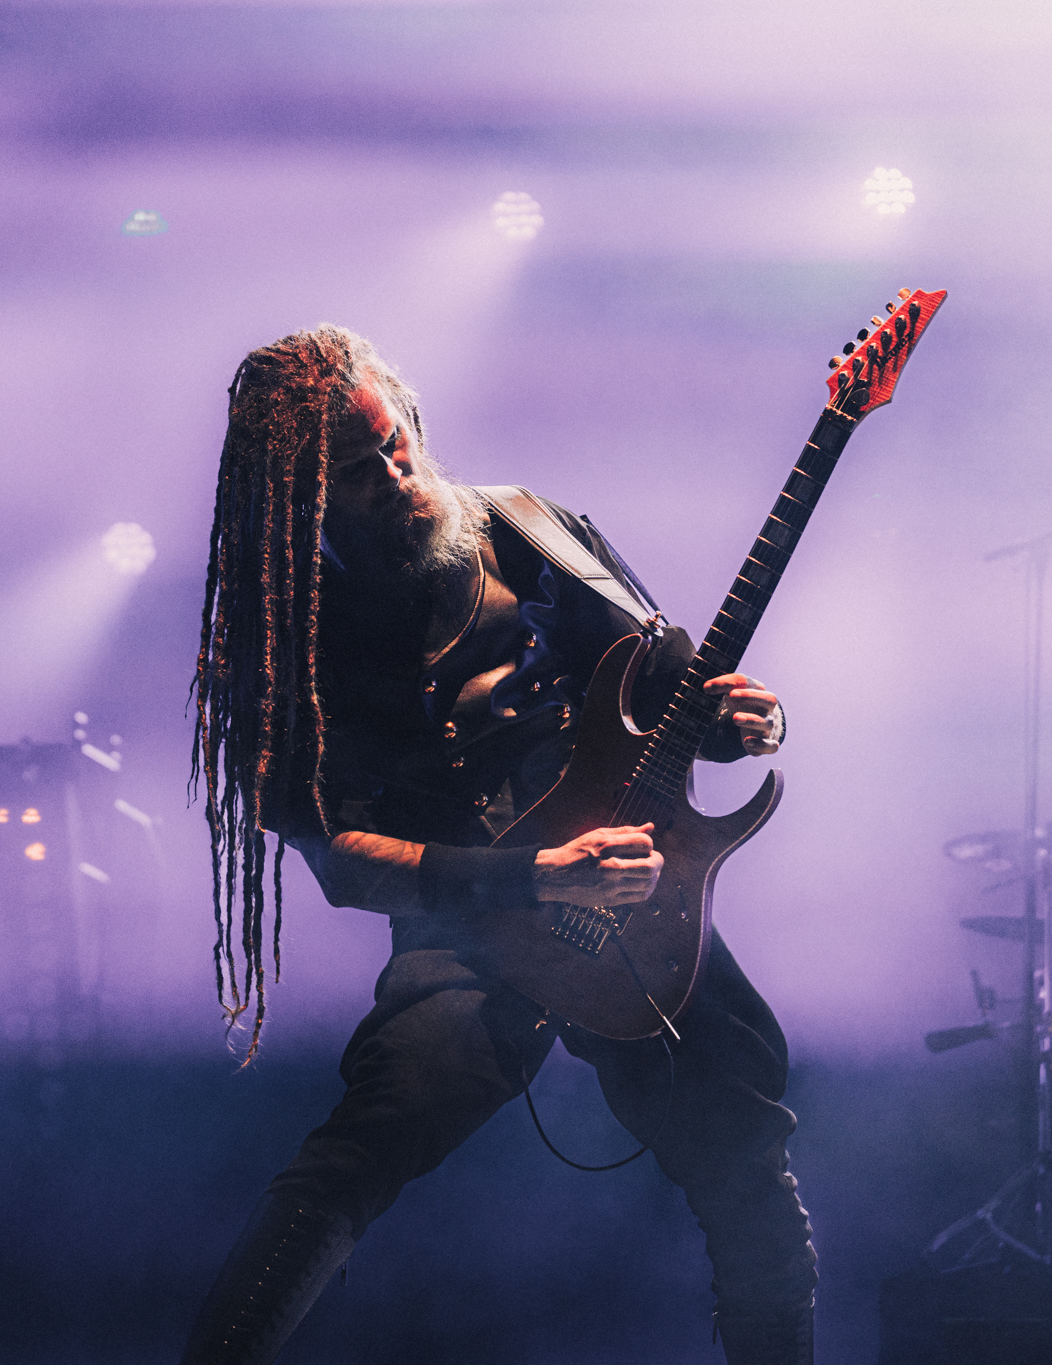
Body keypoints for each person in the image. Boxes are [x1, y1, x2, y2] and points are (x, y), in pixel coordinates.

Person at [184, 326, 817, 1364]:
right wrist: (530, 876)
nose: (396, 477)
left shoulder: (538, 532)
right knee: (354, 1159)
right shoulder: (283, 642)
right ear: (302, 505)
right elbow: (341, 861)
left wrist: (748, 721)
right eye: (358, 473)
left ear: (412, 416)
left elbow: (673, 695)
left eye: (395, 444)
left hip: (631, 905)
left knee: (745, 1158)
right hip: (469, 922)